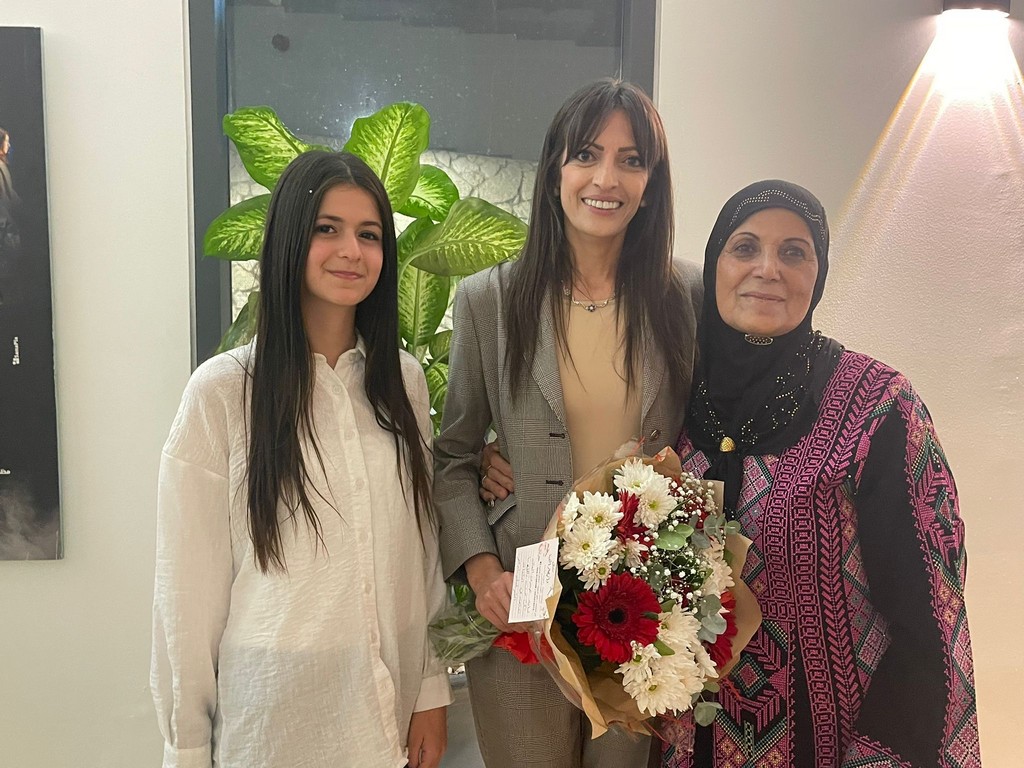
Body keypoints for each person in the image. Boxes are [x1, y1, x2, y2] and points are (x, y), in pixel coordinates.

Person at [657, 180, 980, 766]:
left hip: (834, 748)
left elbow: (931, 615)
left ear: (819, 274)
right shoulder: (670, 397)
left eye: (794, 252)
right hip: (682, 745)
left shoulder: (877, 405)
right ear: (713, 266)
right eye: (745, 247)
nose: (768, 269)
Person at [151, 151, 451, 768]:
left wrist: (430, 689)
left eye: (369, 235)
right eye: (327, 228)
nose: (351, 251)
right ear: (290, 238)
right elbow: (186, 598)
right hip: (275, 721)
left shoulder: (403, 383)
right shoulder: (223, 392)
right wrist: (186, 748)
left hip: (387, 713)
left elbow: (419, 550)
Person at [433, 79, 701, 767]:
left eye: (630, 160)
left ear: (651, 183)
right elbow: (453, 456)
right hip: (524, 587)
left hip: (639, 606)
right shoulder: (491, 300)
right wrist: (483, 571)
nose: (606, 178)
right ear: (555, 168)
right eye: (586, 154)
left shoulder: (685, 298)